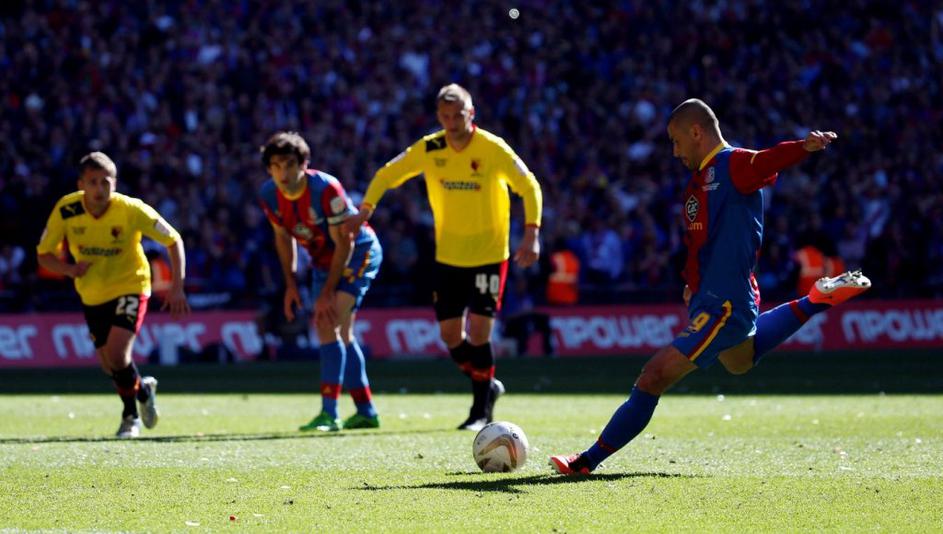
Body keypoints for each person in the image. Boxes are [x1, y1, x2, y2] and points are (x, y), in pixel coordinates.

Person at [549, 99, 871, 474]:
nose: (674, 151)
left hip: (726, 305)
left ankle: (586, 461)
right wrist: (692, 284)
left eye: (675, 141)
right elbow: (699, 243)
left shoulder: (732, 164)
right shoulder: (698, 183)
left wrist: (803, 147)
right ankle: (816, 299)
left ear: (696, 132)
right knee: (739, 361)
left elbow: (767, 160)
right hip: (711, 298)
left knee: (653, 376)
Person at [345, 83, 543, 431]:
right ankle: (488, 382)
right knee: (451, 336)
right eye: (446, 116)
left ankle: (480, 409)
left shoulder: (492, 148)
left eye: (458, 115)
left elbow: (530, 187)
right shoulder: (430, 147)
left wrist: (531, 233)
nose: (452, 122)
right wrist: (366, 208)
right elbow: (387, 174)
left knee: (480, 332)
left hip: (488, 255)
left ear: (471, 114)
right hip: (449, 257)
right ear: (439, 117)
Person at [36, 152, 190, 438]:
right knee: (109, 365)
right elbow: (44, 254)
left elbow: (173, 239)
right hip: (92, 293)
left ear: (115, 183)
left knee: (118, 354)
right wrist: (69, 269)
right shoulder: (67, 210)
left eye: (105, 182)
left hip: (131, 284)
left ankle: (130, 417)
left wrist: (177, 286)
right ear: (81, 183)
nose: (99, 189)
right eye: (92, 182)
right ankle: (143, 390)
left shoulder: (131, 210)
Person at [258, 131, 382, 432]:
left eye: (289, 164)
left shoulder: (326, 188)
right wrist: (290, 284)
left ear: (304, 164)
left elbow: (346, 244)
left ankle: (330, 413)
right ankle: (366, 411)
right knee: (341, 332)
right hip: (323, 262)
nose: (283, 173)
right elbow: (283, 239)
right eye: (275, 166)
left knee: (328, 324)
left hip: (358, 253)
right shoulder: (269, 195)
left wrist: (327, 291)